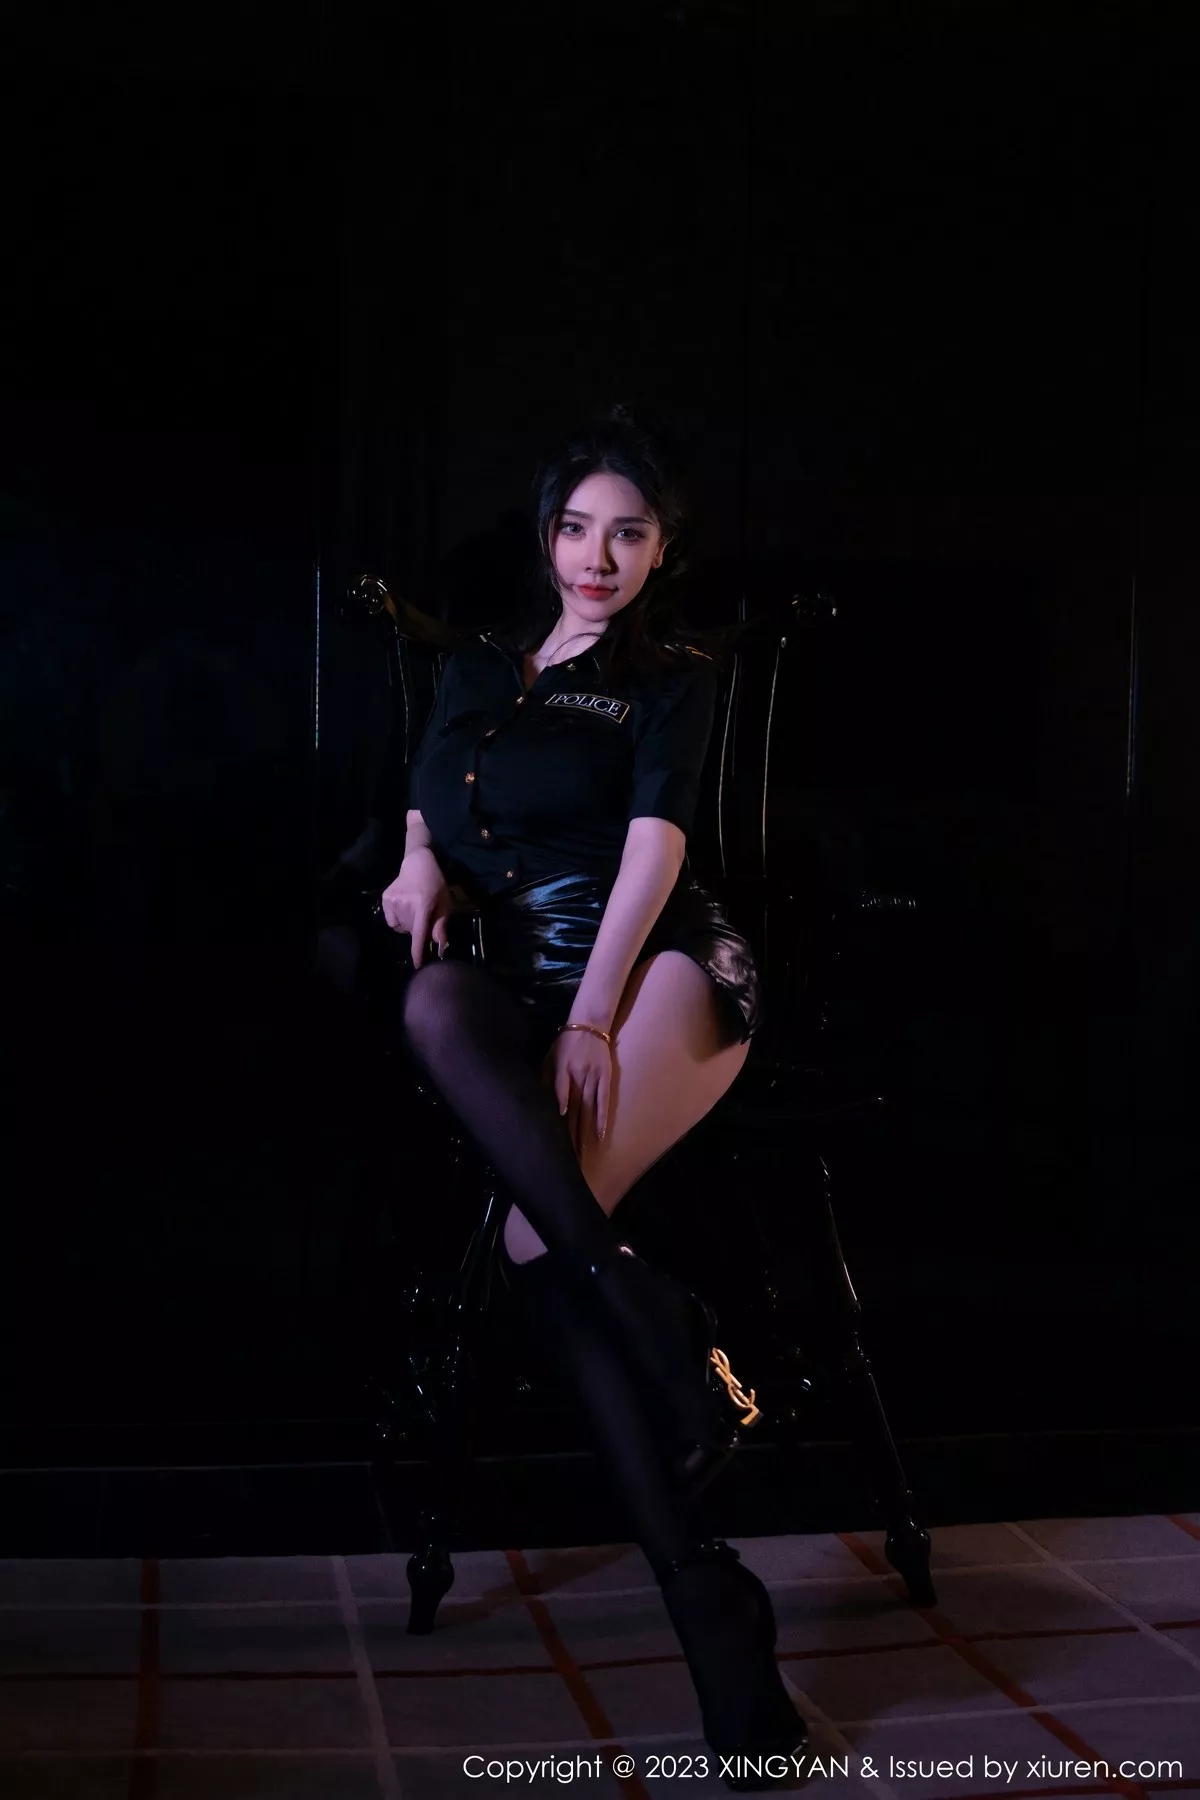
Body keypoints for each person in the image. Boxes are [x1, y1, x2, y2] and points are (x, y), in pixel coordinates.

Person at [380, 404, 807, 1788]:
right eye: (577, 529)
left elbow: (656, 847)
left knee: (533, 1246)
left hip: (660, 957)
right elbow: (432, 795)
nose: (598, 558)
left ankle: (702, 1589)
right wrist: (418, 866)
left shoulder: (671, 673)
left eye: (628, 533)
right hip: (517, 972)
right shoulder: (482, 665)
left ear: (661, 548)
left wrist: (592, 1016)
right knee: (430, 1003)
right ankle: (667, 1340)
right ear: (547, 535)